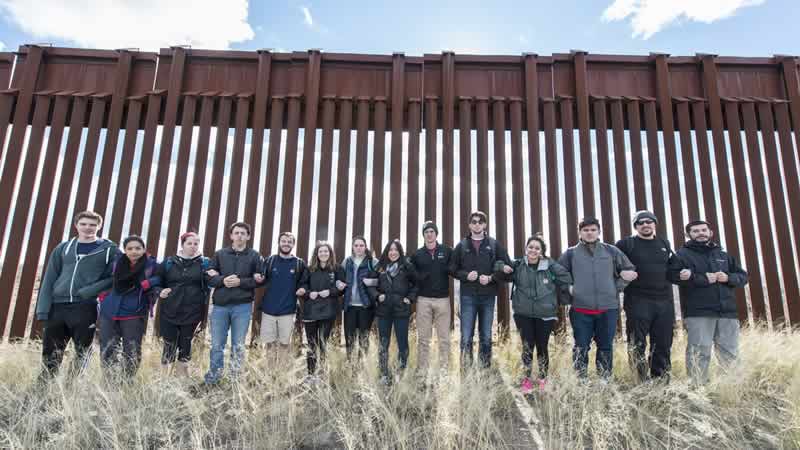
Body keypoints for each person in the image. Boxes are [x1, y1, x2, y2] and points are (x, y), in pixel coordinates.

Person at [35, 211, 119, 379]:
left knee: (82, 349)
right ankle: (45, 384)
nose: (88, 228)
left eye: (92, 225)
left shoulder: (109, 250)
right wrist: (43, 309)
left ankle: (73, 385)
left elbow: (116, 277)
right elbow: (50, 277)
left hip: (85, 306)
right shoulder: (63, 248)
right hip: (58, 306)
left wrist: (89, 291)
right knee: (51, 349)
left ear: (99, 226)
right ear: (76, 225)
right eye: (84, 224)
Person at [668, 220, 748, 385]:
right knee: (699, 352)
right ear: (688, 235)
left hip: (727, 312)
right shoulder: (681, 255)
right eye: (695, 231)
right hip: (699, 312)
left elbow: (743, 277)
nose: (700, 233)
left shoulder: (722, 254)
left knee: (730, 352)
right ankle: (697, 389)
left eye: (704, 230)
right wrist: (702, 278)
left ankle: (730, 388)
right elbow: (671, 275)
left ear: (710, 232)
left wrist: (728, 278)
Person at [558, 218, 636, 379]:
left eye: (593, 230)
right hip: (580, 309)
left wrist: (617, 287)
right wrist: (569, 288)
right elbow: (558, 274)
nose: (589, 233)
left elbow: (629, 270)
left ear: (598, 232)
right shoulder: (571, 253)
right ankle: (581, 379)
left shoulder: (611, 251)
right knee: (581, 346)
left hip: (608, 308)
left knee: (606, 346)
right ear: (580, 233)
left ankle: (604, 379)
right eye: (585, 230)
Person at [498, 235, 572, 393]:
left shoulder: (549, 265)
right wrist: (502, 267)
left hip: (545, 313)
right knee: (527, 346)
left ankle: (543, 379)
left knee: (542, 346)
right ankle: (526, 380)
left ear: (542, 252)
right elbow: (500, 267)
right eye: (530, 247)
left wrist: (552, 277)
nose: (533, 250)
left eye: (537, 248)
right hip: (523, 313)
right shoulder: (518, 264)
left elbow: (566, 277)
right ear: (526, 249)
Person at [616, 211, 677, 382]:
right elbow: (613, 266)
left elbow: (672, 269)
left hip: (664, 302)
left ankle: (661, 382)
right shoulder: (626, 244)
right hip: (637, 301)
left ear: (654, 224)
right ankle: (640, 382)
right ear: (636, 226)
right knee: (637, 344)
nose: (645, 225)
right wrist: (622, 274)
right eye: (640, 222)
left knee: (663, 344)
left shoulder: (664, 243)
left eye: (649, 221)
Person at [450, 211, 513, 370]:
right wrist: (465, 276)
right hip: (467, 298)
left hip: (488, 298)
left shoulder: (493, 244)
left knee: (485, 336)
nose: (477, 224)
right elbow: (451, 269)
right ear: (470, 225)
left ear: (485, 225)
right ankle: (466, 372)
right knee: (466, 338)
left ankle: (485, 371)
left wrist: (491, 278)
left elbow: (507, 267)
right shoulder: (462, 245)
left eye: (480, 222)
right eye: (474, 222)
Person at [203, 222, 263, 385]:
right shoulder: (220, 254)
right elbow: (208, 277)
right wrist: (223, 280)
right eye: (236, 233)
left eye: (243, 233)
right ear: (231, 236)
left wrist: (240, 282)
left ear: (248, 236)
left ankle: (235, 380)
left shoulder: (254, 256)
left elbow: (259, 280)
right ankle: (214, 378)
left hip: (242, 307)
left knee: (238, 345)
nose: (239, 236)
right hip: (220, 307)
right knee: (216, 345)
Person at [98, 235, 160, 377]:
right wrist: (103, 297)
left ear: (144, 249)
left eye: (138, 248)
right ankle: (109, 380)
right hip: (110, 310)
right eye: (130, 248)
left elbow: (160, 278)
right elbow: (104, 278)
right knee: (108, 347)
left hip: (134, 311)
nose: (134, 251)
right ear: (124, 250)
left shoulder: (151, 264)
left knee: (131, 349)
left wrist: (148, 283)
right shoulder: (117, 262)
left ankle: (127, 381)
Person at [155, 232, 211, 376]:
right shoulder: (169, 262)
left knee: (186, 344)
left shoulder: (204, 263)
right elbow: (156, 281)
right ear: (183, 245)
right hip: (170, 310)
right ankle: (164, 379)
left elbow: (211, 282)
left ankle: (182, 380)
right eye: (189, 243)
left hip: (192, 311)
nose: (193, 246)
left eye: (196, 244)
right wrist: (160, 291)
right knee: (169, 344)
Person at [366, 239, 417, 385]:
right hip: (384, 310)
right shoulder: (379, 267)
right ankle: (384, 374)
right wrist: (377, 296)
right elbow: (369, 285)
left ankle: (401, 373)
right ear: (387, 252)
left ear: (400, 252)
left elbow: (416, 284)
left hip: (401, 310)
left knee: (402, 343)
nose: (393, 252)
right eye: (390, 250)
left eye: (396, 250)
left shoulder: (407, 266)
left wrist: (410, 298)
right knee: (383, 343)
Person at [410, 221, 453, 376]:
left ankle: (444, 371)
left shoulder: (447, 251)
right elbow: (411, 274)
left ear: (436, 234)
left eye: (432, 231)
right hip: (424, 300)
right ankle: (422, 371)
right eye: (426, 231)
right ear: (423, 235)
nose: (429, 234)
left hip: (443, 300)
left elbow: (455, 266)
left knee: (444, 339)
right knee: (423, 339)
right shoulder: (417, 255)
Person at [299, 241, 346, 383]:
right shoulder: (309, 269)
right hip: (311, 310)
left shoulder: (337, 269)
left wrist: (330, 291)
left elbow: (341, 287)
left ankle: (321, 373)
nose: (323, 254)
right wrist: (308, 293)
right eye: (321, 251)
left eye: (326, 251)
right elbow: (302, 285)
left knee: (322, 342)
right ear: (317, 254)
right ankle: (310, 374)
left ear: (330, 253)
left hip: (328, 310)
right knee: (312, 343)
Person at [259, 232, 307, 358]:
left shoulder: (299, 263)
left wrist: (302, 288)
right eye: (284, 241)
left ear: (293, 244)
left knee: (284, 344)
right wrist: (258, 277)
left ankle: (281, 373)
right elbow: (261, 278)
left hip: (288, 310)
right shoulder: (270, 261)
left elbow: (305, 282)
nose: (286, 244)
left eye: (289, 242)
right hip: (268, 310)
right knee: (269, 344)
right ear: (279, 243)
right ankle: (270, 375)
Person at [342, 236, 378, 361]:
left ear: (365, 247)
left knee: (364, 338)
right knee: (349, 338)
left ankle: (362, 365)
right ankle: (350, 363)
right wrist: (338, 284)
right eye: (356, 245)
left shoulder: (372, 262)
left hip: (366, 306)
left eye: (361, 245)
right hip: (350, 306)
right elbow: (339, 278)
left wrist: (372, 281)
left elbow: (381, 280)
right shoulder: (347, 261)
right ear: (352, 247)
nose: (358, 248)